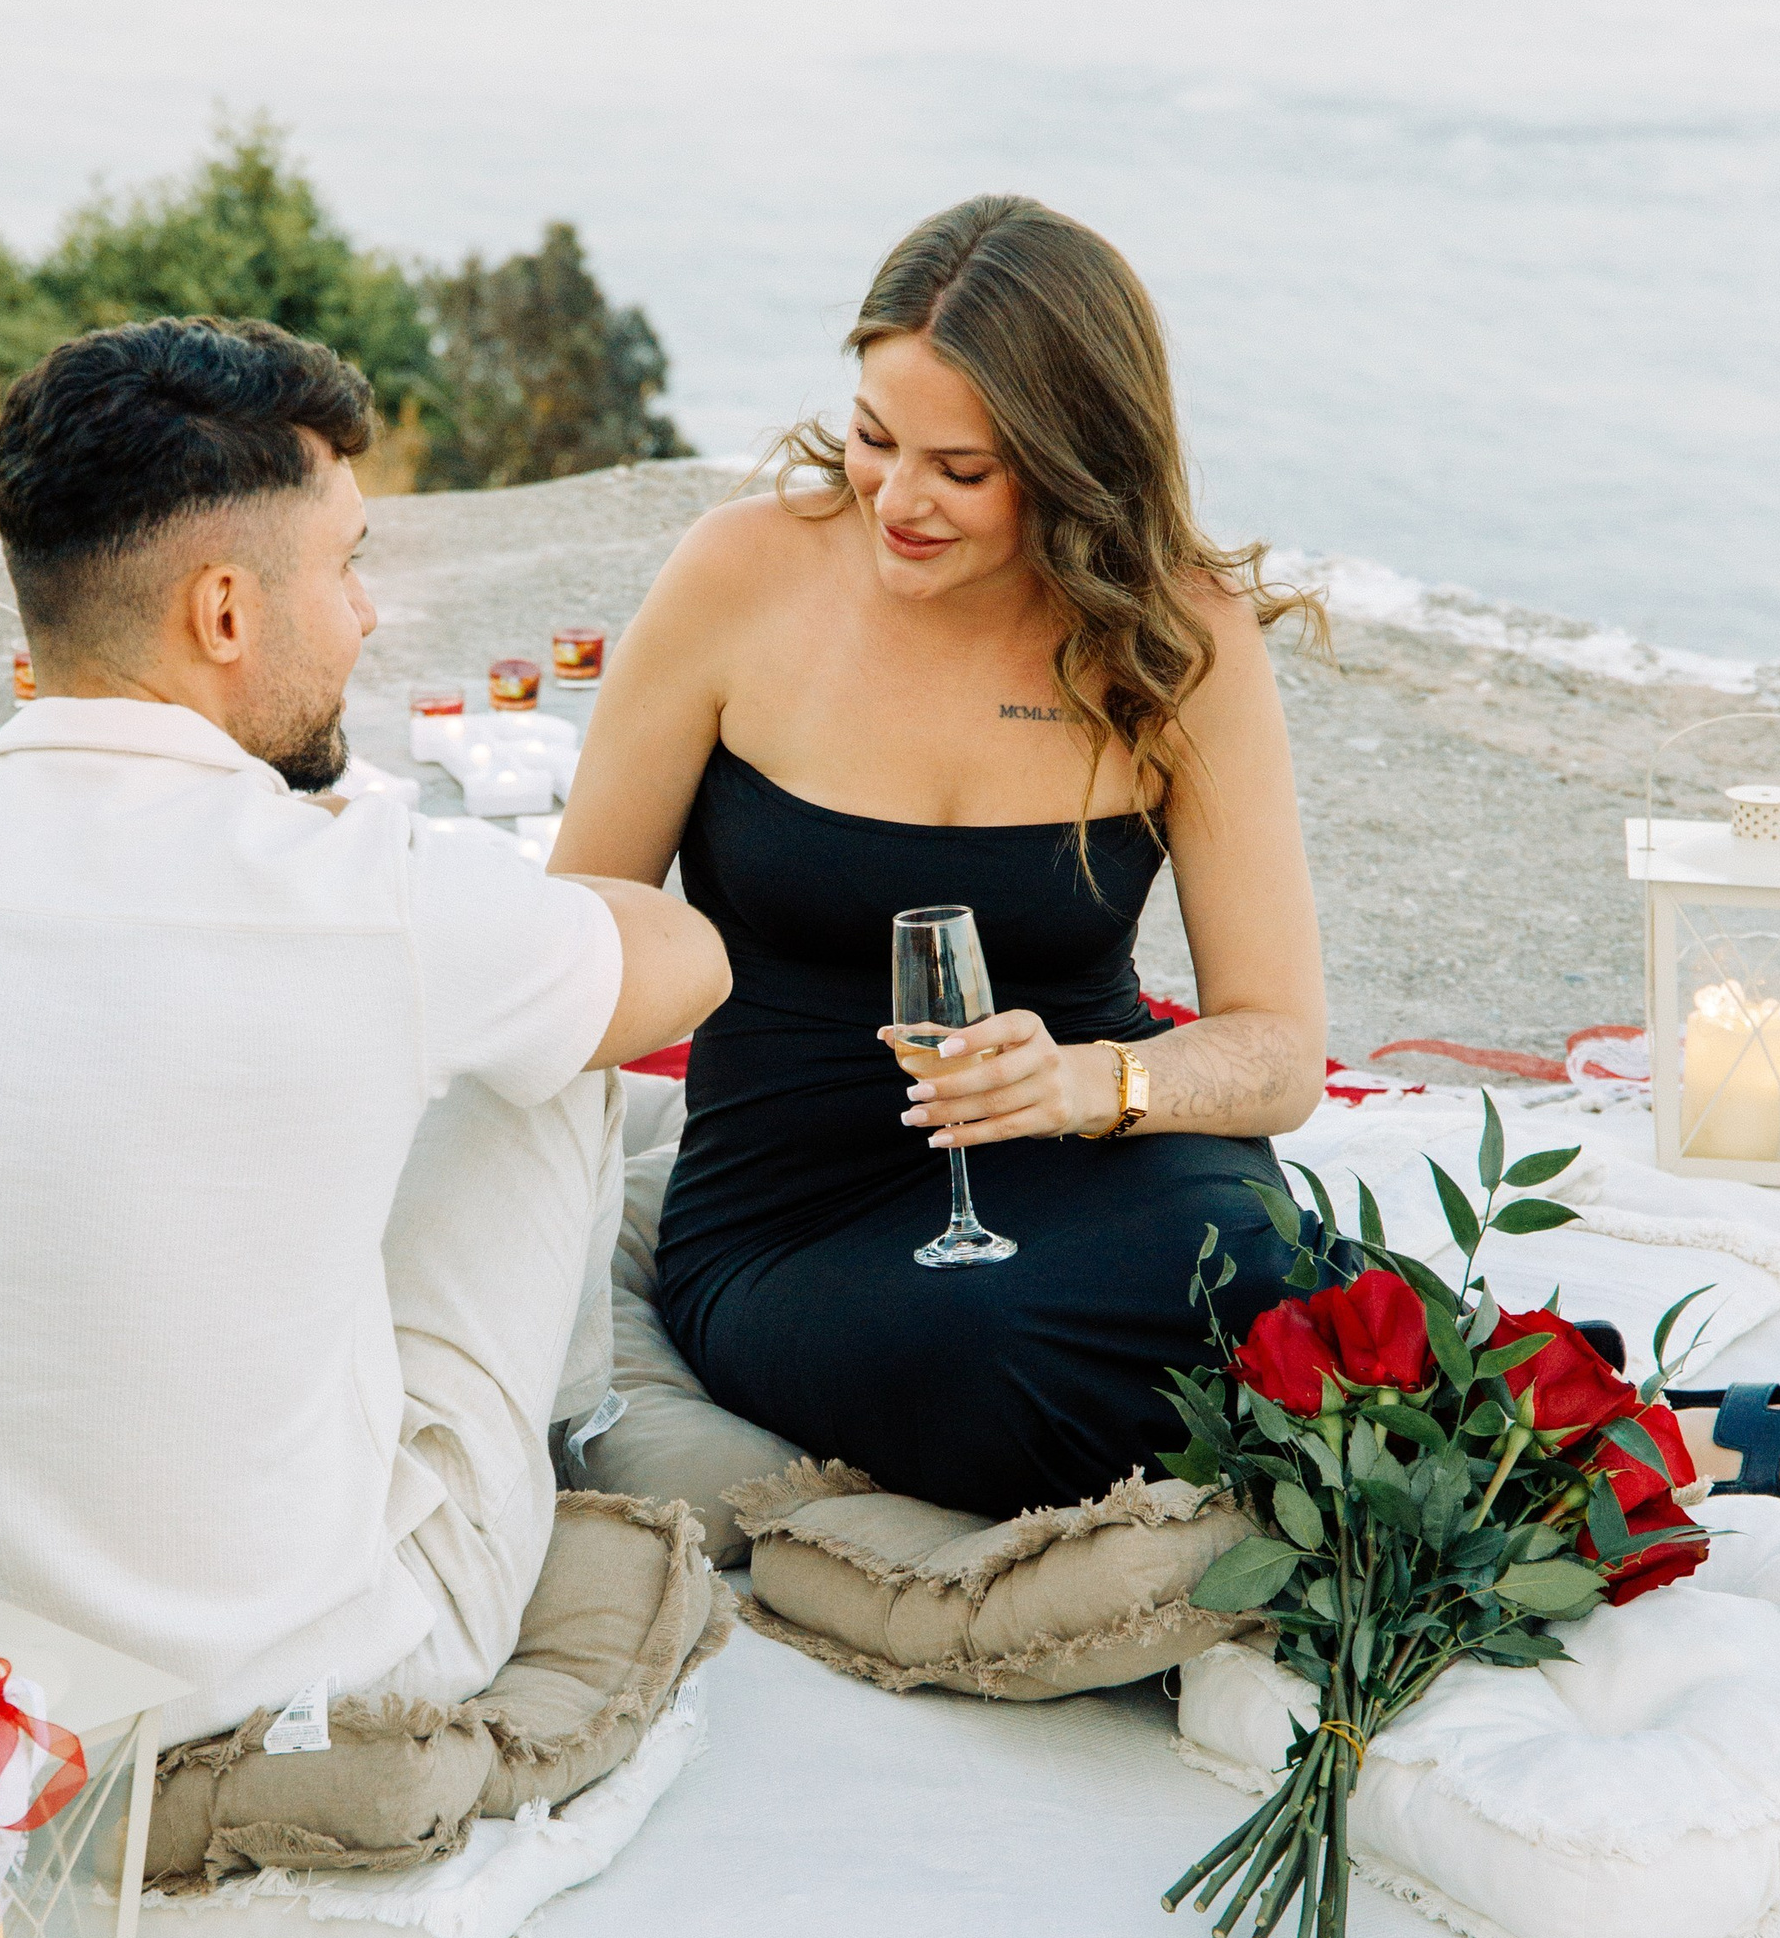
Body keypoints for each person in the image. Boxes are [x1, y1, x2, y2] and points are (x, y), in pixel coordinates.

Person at [0, 316, 729, 1746]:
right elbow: (685, 964)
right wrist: (398, 876)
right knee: (549, 1062)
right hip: (261, 1682)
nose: (367, 615)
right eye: (347, 564)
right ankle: (563, 1454)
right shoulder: (355, 897)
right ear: (227, 613)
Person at [552, 195, 1325, 1523]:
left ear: (1076, 463)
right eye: (873, 438)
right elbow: (570, 946)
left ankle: (1417, 1431)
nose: (898, 500)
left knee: (1259, 1270)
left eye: (960, 470)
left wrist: (1089, 1080)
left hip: (1100, 1158)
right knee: (985, 1353)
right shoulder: (740, 577)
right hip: (795, 1211)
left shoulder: (1176, 640)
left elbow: (1282, 1052)